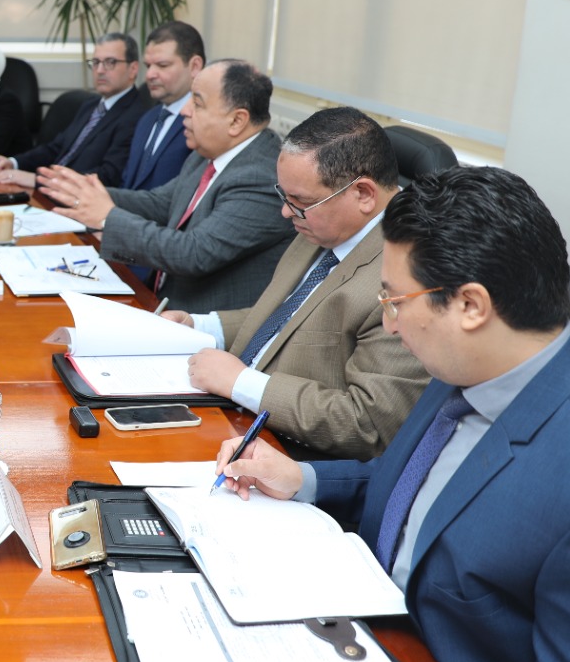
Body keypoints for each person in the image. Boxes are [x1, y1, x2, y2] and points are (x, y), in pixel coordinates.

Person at [216, 167, 570, 662]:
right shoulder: (469, 363)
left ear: (470, 305)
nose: (388, 323)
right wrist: (304, 479)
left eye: (394, 300)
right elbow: (420, 492)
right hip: (357, 638)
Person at [162, 107, 429, 459]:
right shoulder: (321, 224)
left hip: (285, 456)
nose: (286, 212)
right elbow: (290, 318)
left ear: (363, 194)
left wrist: (242, 383)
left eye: (300, 201)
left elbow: (367, 424)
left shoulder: (407, 273)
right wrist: (201, 325)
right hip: (228, 418)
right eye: (284, 195)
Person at [40, 59, 294, 311]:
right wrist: (90, 194)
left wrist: (107, 217)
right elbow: (161, 203)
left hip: (200, 320)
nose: (184, 111)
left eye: (197, 103)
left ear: (237, 121)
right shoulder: (208, 153)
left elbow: (193, 253)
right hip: (160, 300)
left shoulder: (261, 177)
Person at [0, 32, 149, 189]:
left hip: (73, 199)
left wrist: (40, 181)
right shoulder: (91, 105)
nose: (100, 70)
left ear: (133, 69)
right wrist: (13, 162)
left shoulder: (136, 117)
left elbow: (108, 176)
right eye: (96, 62)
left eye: (110, 62)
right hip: (49, 190)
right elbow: (56, 148)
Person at [119, 21, 204, 192]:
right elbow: (128, 184)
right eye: (148, 66)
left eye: (162, 65)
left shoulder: (202, 124)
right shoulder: (147, 119)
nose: (150, 75)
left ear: (194, 66)